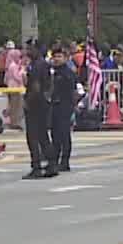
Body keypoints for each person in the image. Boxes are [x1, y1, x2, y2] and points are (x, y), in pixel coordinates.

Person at [24, 43, 54, 178]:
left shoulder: (36, 66)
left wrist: (27, 102)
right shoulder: (45, 64)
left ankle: (36, 166)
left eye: (30, 49)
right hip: (43, 103)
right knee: (43, 136)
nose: (27, 51)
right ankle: (51, 164)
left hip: (35, 105)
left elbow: (35, 87)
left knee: (33, 136)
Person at [48, 44, 78, 172]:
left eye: (59, 56)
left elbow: (74, 91)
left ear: (65, 58)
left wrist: (72, 106)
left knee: (64, 134)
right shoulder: (52, 72)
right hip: (53, 106)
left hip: (64, 106)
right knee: (55, 134)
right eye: (55, 56)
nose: (56, 59)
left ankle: (65, 161)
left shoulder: (68, 73)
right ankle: (54, 159)